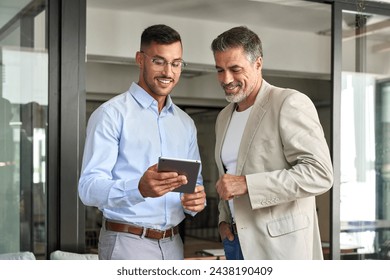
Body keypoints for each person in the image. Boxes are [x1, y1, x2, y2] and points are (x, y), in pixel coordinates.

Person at [78, 24, 206, 260]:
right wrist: (138, 188)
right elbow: (88, 188)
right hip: (127, 244)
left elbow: (193, 183)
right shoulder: (111, 114)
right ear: (140, 59)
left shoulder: (185, 123)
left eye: (176, 63)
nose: (168, 71)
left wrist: (196, 200)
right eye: (159, 61)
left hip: (174, 244)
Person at [210, 26, 333, 260]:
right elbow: (228, 176)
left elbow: (320, 174)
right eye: (220, 70)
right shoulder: (224, 116)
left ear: (258, 63)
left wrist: (248, 184)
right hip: (235, 243)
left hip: (280, 249)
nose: (226, 79)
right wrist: (223, 222)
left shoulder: (289, 102)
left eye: (235, 69)